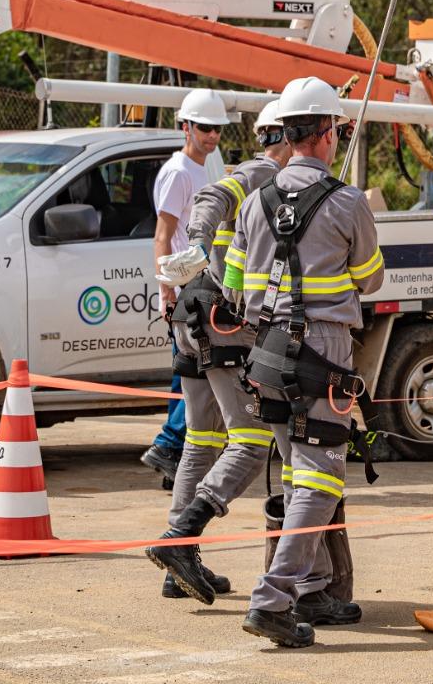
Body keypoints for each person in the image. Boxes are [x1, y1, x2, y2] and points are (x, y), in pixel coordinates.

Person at [230, 74, 383, 648]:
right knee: (320, 478)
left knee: (297, 469)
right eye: (338, 131)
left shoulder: (253, 203)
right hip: (324, 350)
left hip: (267, 351)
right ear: (324, 133)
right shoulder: (346, 202)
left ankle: (310, 586)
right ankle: (273, 598)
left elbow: (241, 288)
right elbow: (370, 278)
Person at [146, 98, 290, 602]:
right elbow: (210, 200)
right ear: (288, 138)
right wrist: (201, 243)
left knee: (201, 441)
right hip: (220, 325)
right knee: (250, 442)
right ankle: (178, 543)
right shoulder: (260, 173)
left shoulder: (268, 177)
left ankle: (176, 565)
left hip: (195, 315)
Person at [140, 88, 229, 485]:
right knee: (201, 374)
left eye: (217, 129)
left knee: (186, 376)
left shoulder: (203, 168)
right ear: (186, 127)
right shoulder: (179, 172)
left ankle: (172, 455)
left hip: (199, 284)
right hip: (186, 288)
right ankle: (168, 443)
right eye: (205, 128)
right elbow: (163, 236)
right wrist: (166, 290)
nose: (212, 136)